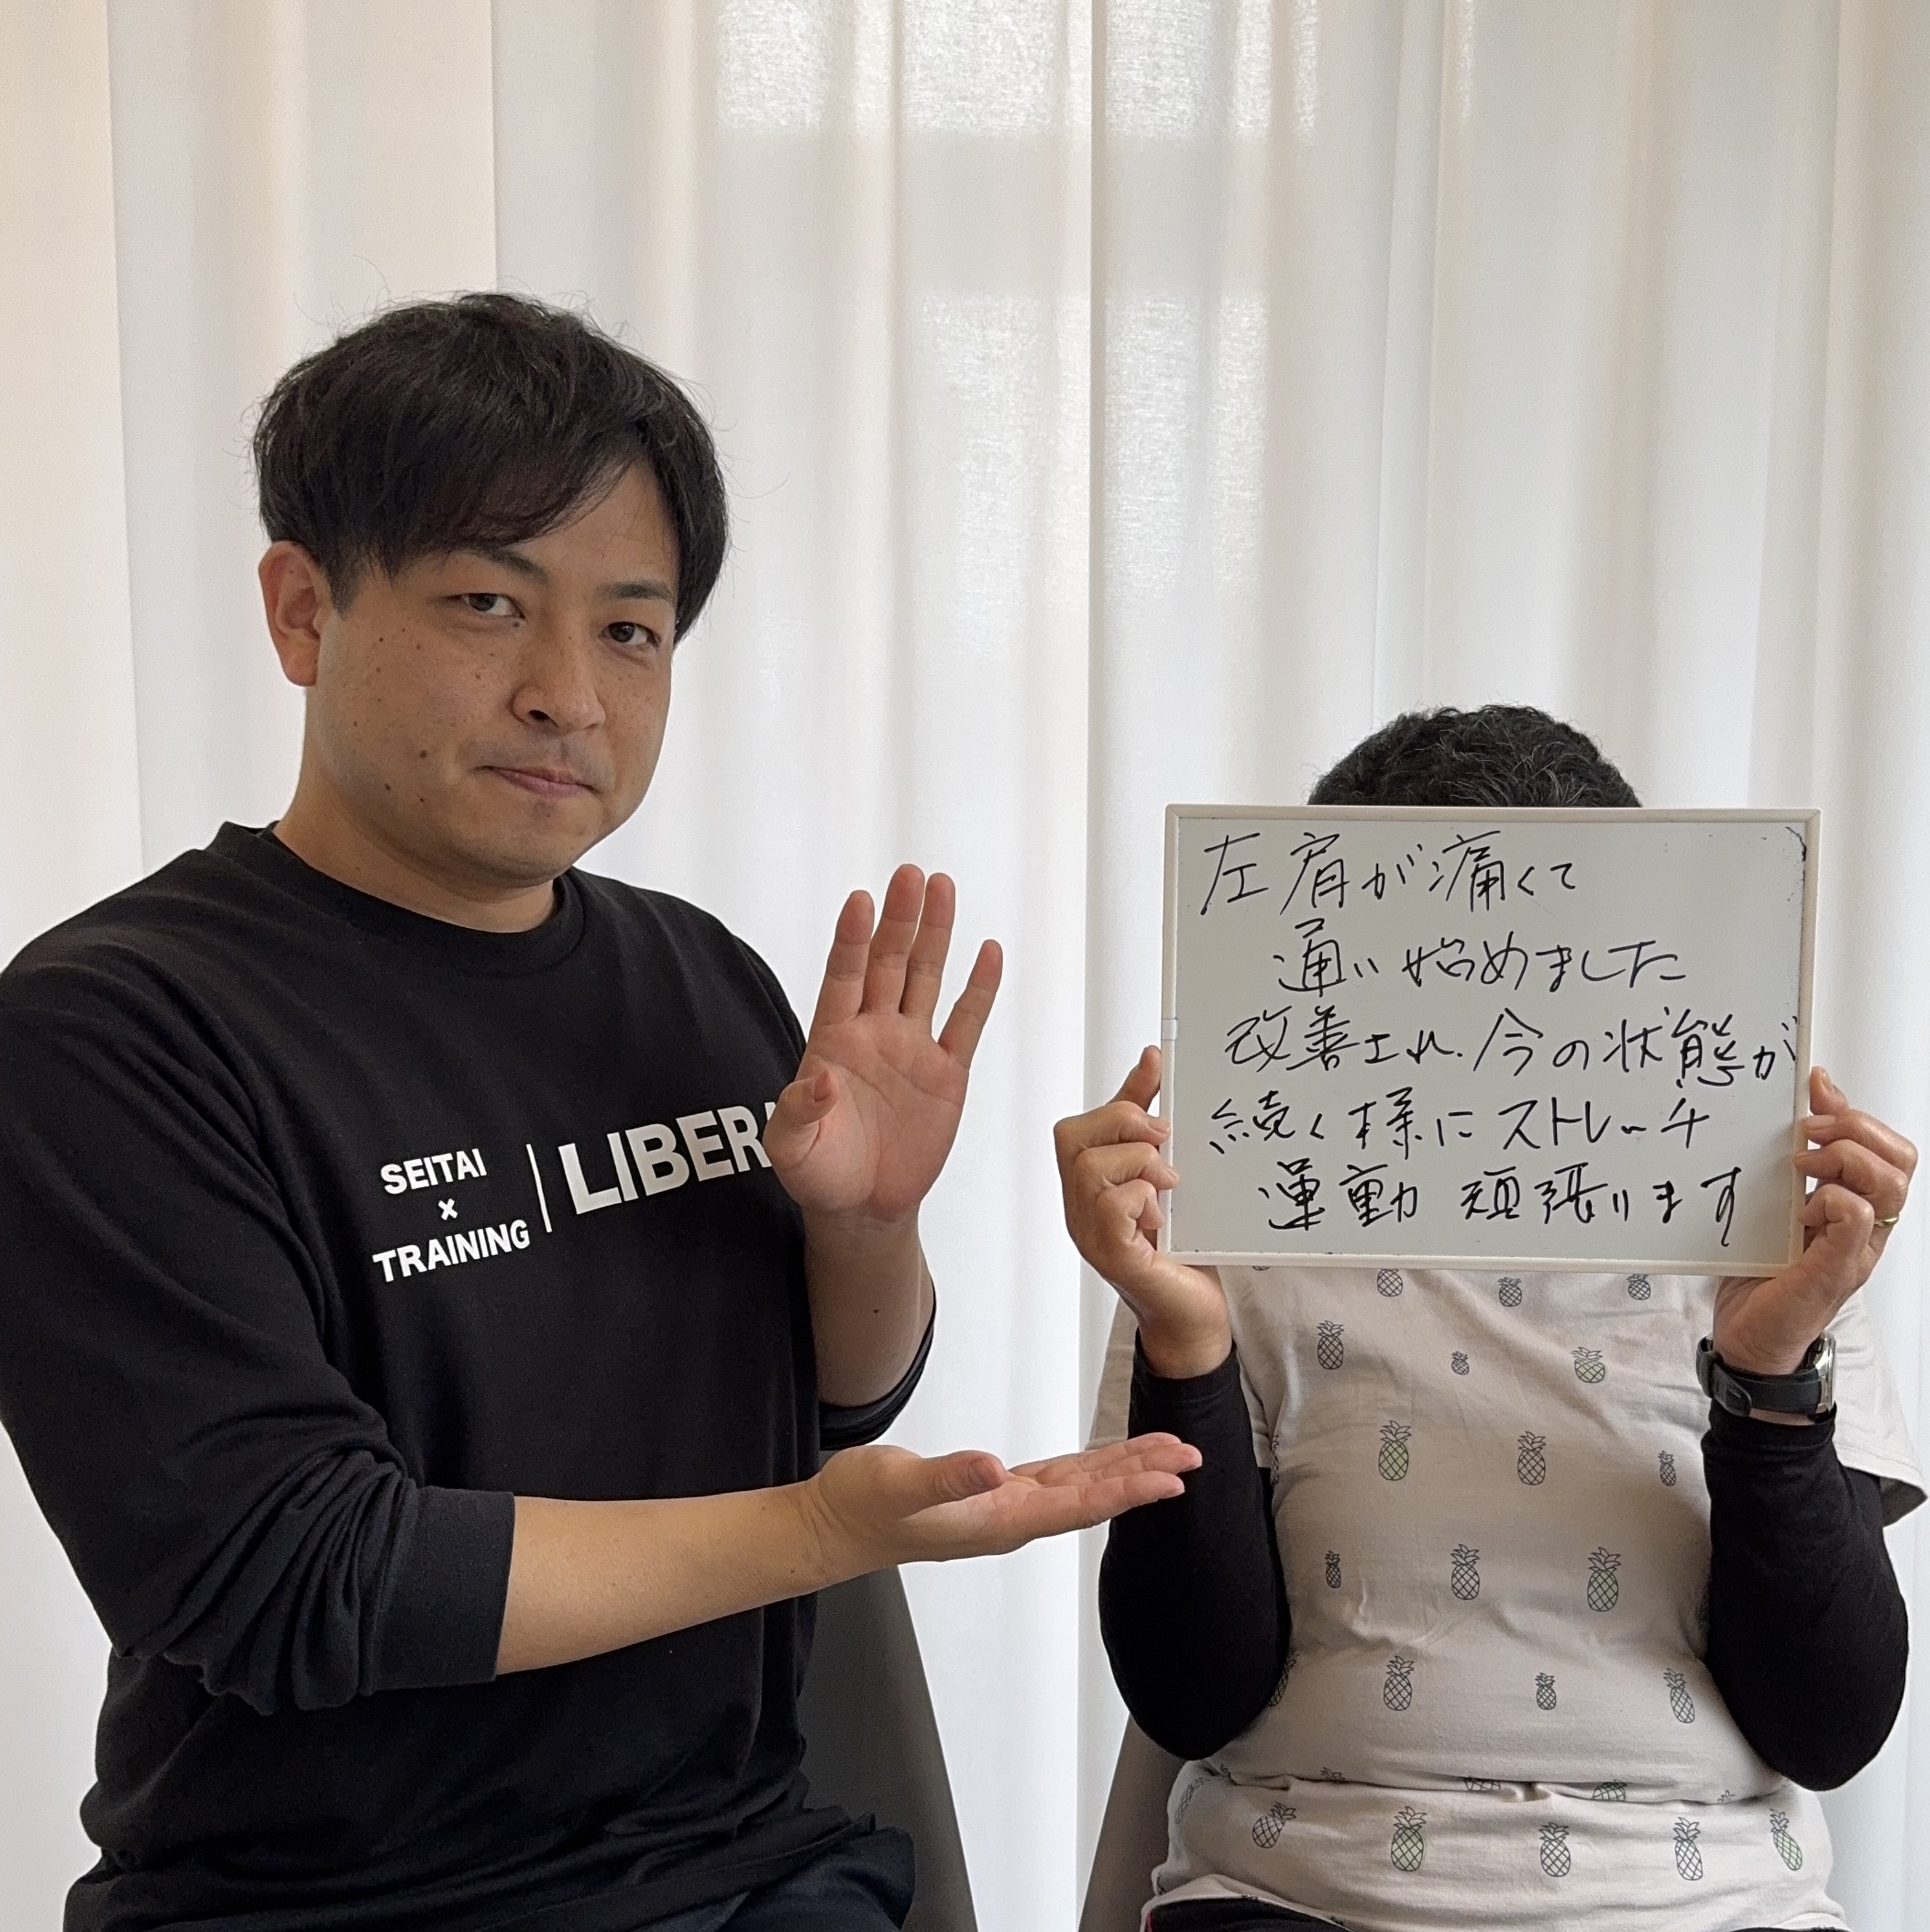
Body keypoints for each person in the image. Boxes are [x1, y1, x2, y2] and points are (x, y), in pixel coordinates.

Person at [0, 293, 1198, 1932]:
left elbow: (829, 1399)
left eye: (630, 630)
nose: (567, 691)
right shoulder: (112, 1029)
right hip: (336, 1905)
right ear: (302, 610)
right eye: (488, 603)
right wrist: (815, 1531)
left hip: (749, 1863)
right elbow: (292, 1579)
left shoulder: (691, 974)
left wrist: (867, 1226)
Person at [1059, 706, 1920, 1932]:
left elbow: (1827, 1725)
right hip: (1300, 1892)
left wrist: (1768, 1373)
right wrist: (1185, 1348)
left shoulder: (1768, 1235)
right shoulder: (1225, 1229)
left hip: (1714, 1904)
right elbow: (1190, 1698)